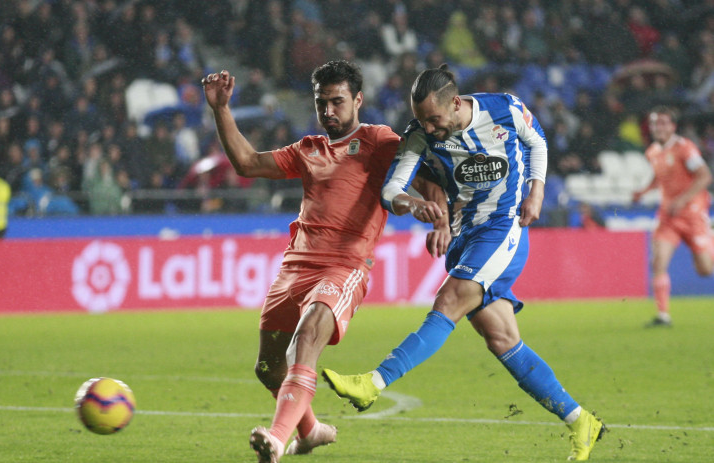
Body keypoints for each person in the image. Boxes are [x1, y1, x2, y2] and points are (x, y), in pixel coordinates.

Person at [322, 65, 606, 461]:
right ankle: (580, 421)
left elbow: (537, 139)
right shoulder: (420, 133)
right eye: (421, 119)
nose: (428, 128)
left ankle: (374, 381)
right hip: (463, 236)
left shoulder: (505, 110)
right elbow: (391, 189)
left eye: (434, 119)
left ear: (455, 104)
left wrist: (536, 192)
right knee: (503, 340)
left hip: (503, 227)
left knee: (449, 301)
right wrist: (414, 203)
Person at [201, 60, 439, 463]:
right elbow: (247, 163)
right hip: (294, 269)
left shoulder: (380, 141)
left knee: (307, 339)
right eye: (321, 103)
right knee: (267, 368)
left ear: (358, 100)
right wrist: (221, 109)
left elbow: (426, 176)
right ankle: (311, 432)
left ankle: (277, 439)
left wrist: (436, 214)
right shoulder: (307, 149)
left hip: (344, 267)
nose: (328, 111)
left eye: (337, 102)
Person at [632, 106, 714, 327]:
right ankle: (663, 315)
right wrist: (643, 191)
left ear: (673, 126)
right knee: (658, 262)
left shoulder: (685, 148)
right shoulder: (653, 152)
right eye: (655, 123)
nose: (658, 127)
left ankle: (711, 239)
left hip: (693, 214)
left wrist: (682, 200)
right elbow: (660, 177)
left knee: (705, 270)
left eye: (663, 123)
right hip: (668, 216)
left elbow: (704, 176)